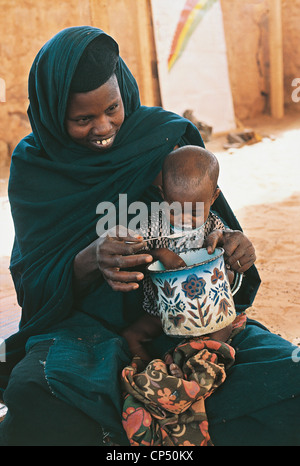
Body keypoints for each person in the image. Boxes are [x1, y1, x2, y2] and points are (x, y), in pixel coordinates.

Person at [0, 26, 298, 446]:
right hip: (85, 333)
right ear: (52, 113)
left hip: (189, 324)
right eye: (82, 119)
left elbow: (216, 239)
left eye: (113, 109)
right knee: (38, 398)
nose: (103, 128)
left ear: (125, 91)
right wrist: (91, 259)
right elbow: (34, 284)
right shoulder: (37, 168)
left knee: (289, 378)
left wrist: (235, 252)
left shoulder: (165, 140)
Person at [121, 145, 238, 367]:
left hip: (206, 309)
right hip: (161, 309)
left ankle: (201, 359)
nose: (184, 219)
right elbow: (132, 253)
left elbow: (224, 256)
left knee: (224, 326)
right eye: (174, 209)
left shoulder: (214, 225)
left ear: (214, 197)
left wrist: (225, 266)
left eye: (194, 212)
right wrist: (158, 253)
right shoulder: (151, 225)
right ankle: (153, 365)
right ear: (163, 195)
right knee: (132, 336)